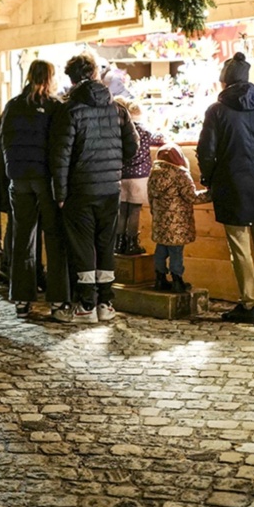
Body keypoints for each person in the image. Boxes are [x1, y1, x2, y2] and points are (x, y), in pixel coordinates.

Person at [196, 51, 254, 324]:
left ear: (225, 82)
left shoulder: (216, 111)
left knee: (239, 247)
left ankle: (248, 304)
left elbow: (206, 152)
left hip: (231, 184)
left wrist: (209, 177)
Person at [49, 54, 139, 323]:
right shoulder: (117, 108)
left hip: (80, 189)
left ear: (72, 78)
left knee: (83, 245)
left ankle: (87, 305)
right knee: (105, 243)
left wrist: (60, 194)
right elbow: (132, 148)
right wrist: (111, 163)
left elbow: (60, 156)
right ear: (96, 74)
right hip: (110, 188)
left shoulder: (69, 110)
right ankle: (106, 304)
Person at [0, 60, 69, 320]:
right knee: (54, 236)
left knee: (23, 237)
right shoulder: (54, 107)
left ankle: (22, 299)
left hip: (19, 178)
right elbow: (60, 145)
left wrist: (11, 168)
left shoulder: (13, 106)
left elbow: (1, 138)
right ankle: (58, 298)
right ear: (50, 78)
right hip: (45, 179)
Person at [147, 144, 209, 293]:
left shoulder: (153, 174)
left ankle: (160, 279)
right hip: (177, 224)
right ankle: (177, 281)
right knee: (176, 252)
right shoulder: (180, 174)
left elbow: (150, 198)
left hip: (160, 221)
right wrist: (211, 194)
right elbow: (191, 196)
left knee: (161, 250)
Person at [116, 99, 164, 255]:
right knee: (135, 210)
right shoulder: (145, 131)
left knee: (122, 210)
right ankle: (131, 243)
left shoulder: (121, 129)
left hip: (122, 175)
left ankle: (119, 243)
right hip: (139, 177)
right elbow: (159, 138)